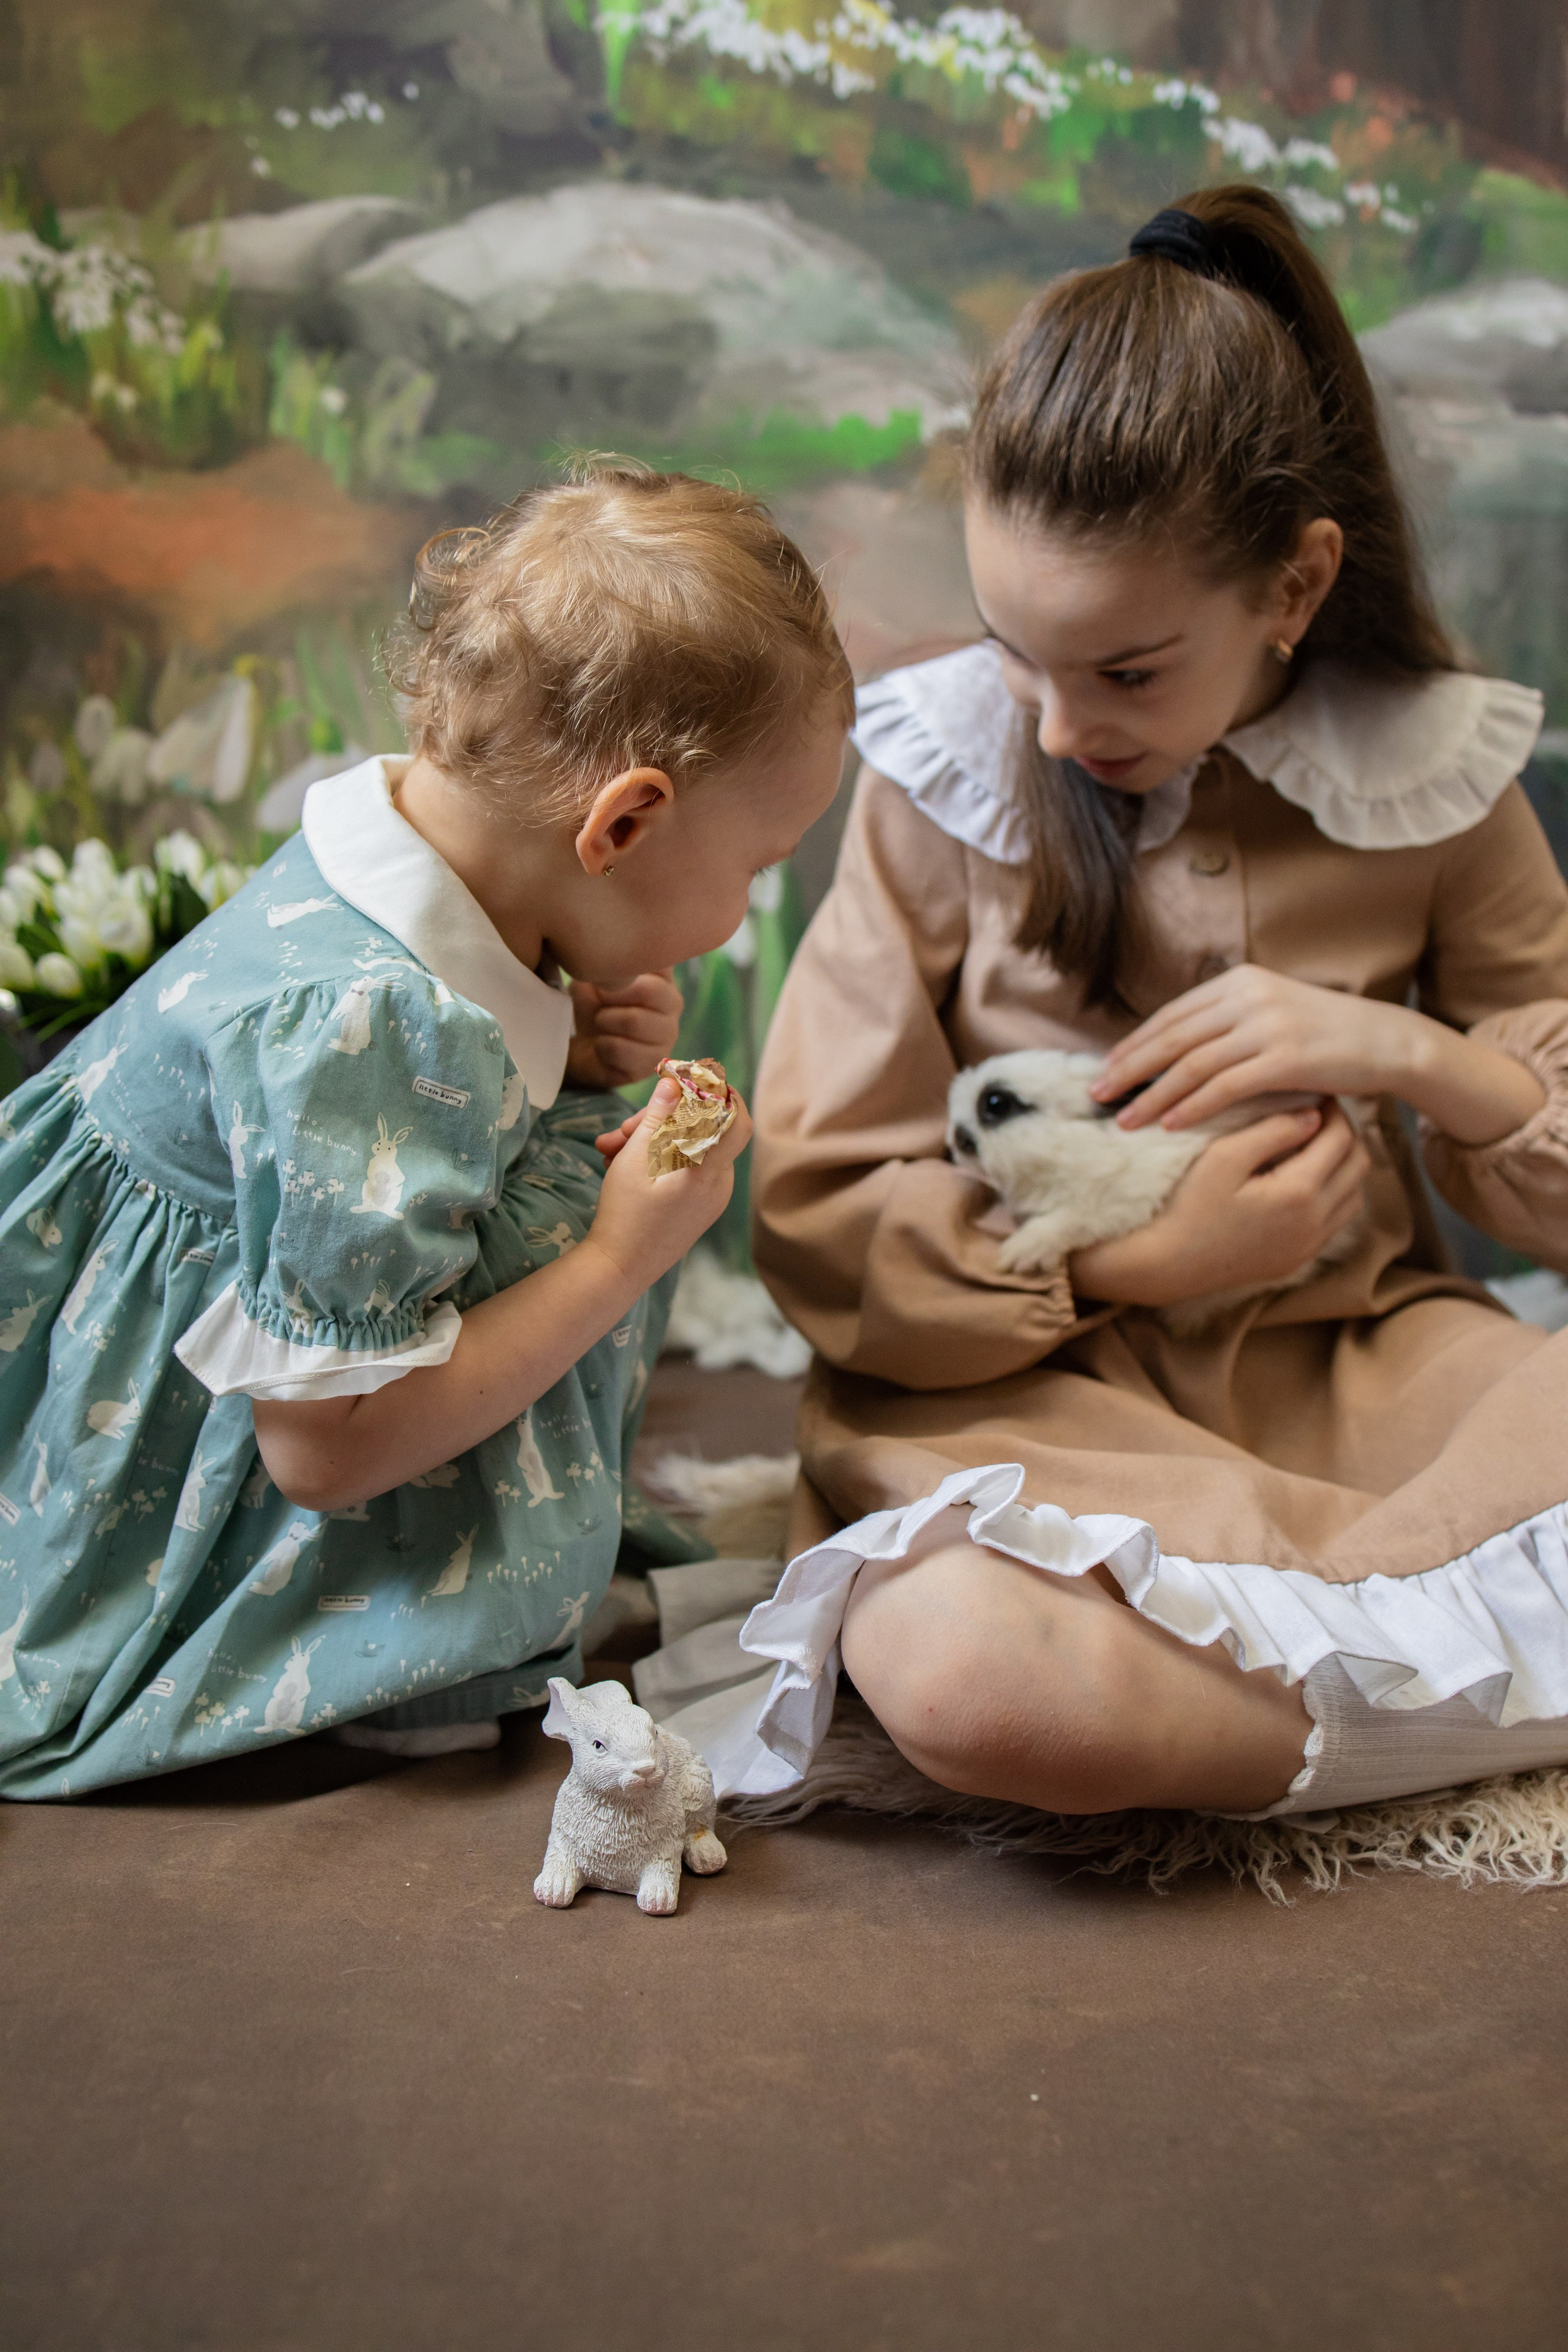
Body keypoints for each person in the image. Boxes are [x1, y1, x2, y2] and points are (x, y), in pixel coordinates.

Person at [736, 185, 1568, 1824]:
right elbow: (819, 1209)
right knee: (965, 1667)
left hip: (1364, 1368)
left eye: (1125, 672)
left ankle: (1329, 1711)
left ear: (1294, 585)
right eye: (1014, 652)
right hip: (1018, 1397)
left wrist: (1403, 1053)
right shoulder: (941, 778)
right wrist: (1121, 1259)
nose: (1055, 729)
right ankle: (1440, 1698)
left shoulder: (1429, 774)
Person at [0, 462, 849, 1797]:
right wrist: (619, 1255)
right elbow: (325, 1445)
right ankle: (374, 1641)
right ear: (625, 822)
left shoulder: (412, 842)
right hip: (183, 1467)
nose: (747, 904)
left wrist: (568, 1050)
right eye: (755, 867)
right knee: (574, 1235)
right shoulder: (377, 1025)